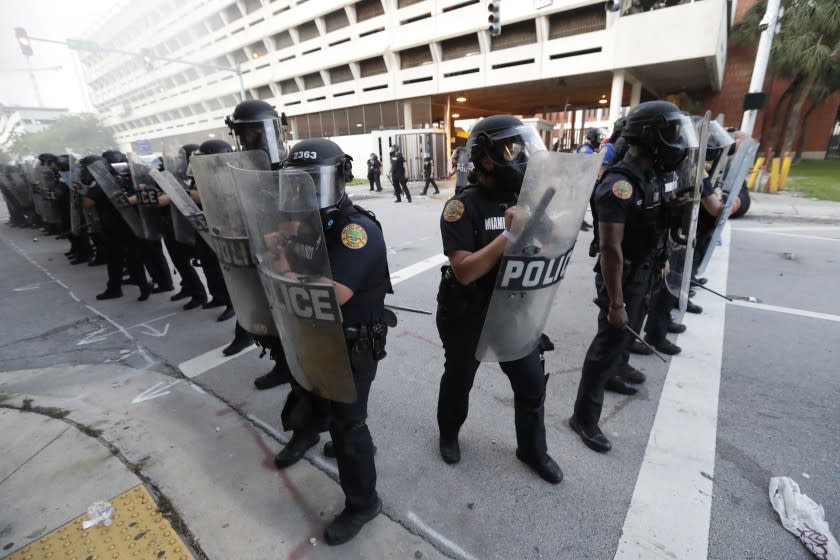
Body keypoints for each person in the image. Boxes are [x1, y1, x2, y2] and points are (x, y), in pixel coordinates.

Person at [269, 138, 391, 545]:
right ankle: (306, 434)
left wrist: (283, 260)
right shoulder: (300, 225)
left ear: (339, 179)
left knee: (349, 423)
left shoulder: (356, 230)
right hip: (313, 332)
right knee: (307, 390)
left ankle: (363, 503)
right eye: (297, 185)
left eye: (314, 184)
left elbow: (332, 293)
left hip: (351, 344)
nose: (305, 194)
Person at [435, 115, 563, 484]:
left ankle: (532, 450)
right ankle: (449, 434)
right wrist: (509, 237)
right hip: (469, 312)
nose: (522, 157)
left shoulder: (526, 202)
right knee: (459, 380)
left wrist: (547, 226)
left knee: (531, 384)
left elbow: (554, 243)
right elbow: (464, 270)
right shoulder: (461, 207)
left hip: (512, 311)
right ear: (487, 158)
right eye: (514, 148)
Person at [570, 100, 698, 453]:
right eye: (670, 133)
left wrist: (666, 244)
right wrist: (615, 302)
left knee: (626, 335)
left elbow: (651, 225)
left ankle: (614, 373)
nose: (677, 142)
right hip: (621, 277)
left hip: (646, 269)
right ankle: (584, 417)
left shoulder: (652, 177)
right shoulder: (619, 184)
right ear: (650, 136)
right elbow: (611, 249)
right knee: (607, 342)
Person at [79, 155, 152, 301]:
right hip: (129, 223)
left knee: (115, 259)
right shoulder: (117, 177)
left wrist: (90, 188)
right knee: (132, 258)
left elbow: (86, 204)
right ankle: (141, 285)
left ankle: (115, 289)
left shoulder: (99, 184)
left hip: (114, 226)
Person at [185, 140, 235, 321]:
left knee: (224, 271)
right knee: (209, 266)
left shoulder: (228, 174)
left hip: (224, 228)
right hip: (206, 224)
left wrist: (193, 195)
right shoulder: (202, 174)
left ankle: (232, 305)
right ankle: (218, 297)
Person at [157, 144, 208, 310]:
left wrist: (175, 194)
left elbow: (197, 197)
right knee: (180, 261)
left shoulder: (200, 174)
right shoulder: (180, 175)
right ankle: (189, 289)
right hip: (174, 222)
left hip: (190, 225)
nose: (179, 162)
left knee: (192, 262)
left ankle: (200, 294)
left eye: (182, 158)